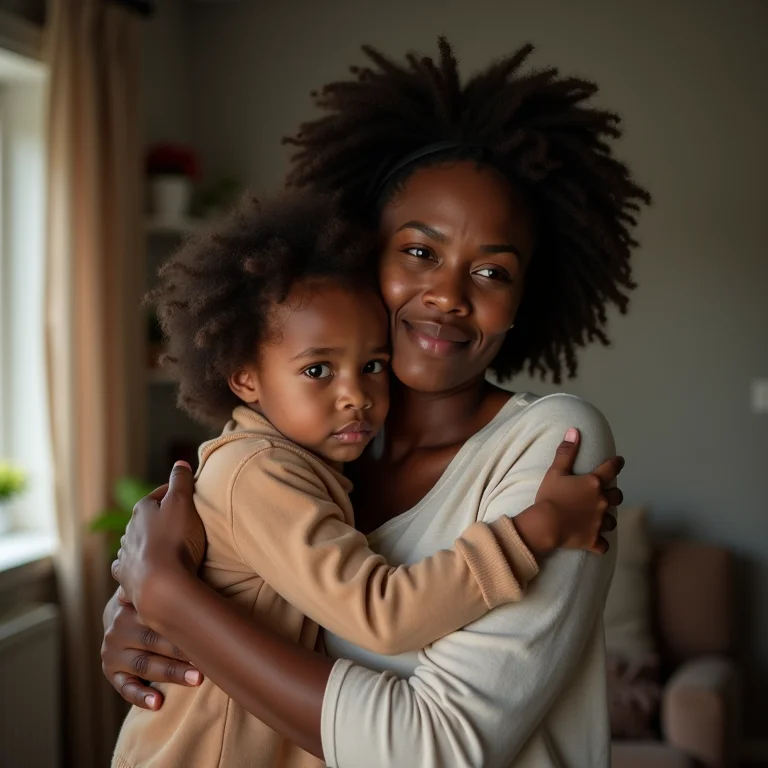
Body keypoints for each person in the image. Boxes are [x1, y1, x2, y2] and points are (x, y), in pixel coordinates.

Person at [103, 38, 649, 767]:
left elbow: (434, 751)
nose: (449, 295)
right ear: (365, 256)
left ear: (524, 299)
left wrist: (174, 599)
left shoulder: (554, 446)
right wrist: (134, 615)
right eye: (419, 252)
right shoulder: (321, 451)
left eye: (491, 271)